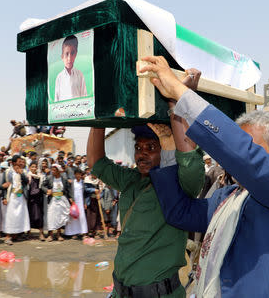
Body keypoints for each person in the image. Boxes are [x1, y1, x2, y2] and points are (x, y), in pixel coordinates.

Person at [141, 56, 269, 297]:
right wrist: (170, 148)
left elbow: (249, 160)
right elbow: (179, 213)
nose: (233, 157)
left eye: (249, 145)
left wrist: (183, 96)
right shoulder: (229, 197)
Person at [87, 75, 205, 297]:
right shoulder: (131, 180)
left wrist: (176, 103)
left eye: (151, 147)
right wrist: (99, 118)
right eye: (138, 147)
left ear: (167, 149)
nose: (142, 154)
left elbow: (190, 162)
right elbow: (96, 163)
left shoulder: (181, 186)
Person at [3, 155, 30, 245]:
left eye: (22, 161)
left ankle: (16, 235)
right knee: (10, 216)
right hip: (12, 196)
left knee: (19, 216)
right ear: (14, 163)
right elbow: (5, 185)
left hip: (21, 196)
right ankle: (8, 236)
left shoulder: (23, 171)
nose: (21, 163)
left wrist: (21, 173)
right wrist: (4, 197)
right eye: (19, 161)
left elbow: (27, 182)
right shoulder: (8, 172)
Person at [42, 164, 72, 242]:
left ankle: (59, 234)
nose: (53, 172)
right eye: (52, 170)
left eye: (54, 170)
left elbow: (67, 189)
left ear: (59, 171)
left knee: (60, 217)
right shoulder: (49, 178)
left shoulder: (64, 179)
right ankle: (50, 235)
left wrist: (70, 198)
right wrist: (47, 191)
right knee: (51, 216)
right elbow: (42, 186)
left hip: (62, 199)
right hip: (52, 199)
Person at [54, 35, 87, 102]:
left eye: (72, 53)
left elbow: (84, 97)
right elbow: (56, 101)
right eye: (66, 54)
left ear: (76, 54)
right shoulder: (59, 77)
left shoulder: (80, 75)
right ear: (62, 57)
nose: (69, 58)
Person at [64, 168, 88, 239]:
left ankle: (83, 233)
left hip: (81, 202)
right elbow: (68, 191)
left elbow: (84, 194)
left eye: (79, 174)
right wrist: (70, 198)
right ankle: (73, 233)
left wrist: (84, 203)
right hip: (74, 202)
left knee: (82, 217)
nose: (78, 175)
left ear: (81, 175)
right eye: (77, 174)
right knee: (73, 217)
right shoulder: (72, 182)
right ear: (74, 175)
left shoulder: (82, 182)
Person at [27, 161, 45, 240]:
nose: (34, 168)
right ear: (29, 168)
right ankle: (28, 233)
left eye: (35, 167)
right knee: (29, 215)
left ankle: (41, 233)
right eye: (32, 167)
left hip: (38, 199)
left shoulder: (40, 176)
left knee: (39, 216)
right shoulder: (27, 176)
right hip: (30, 199)